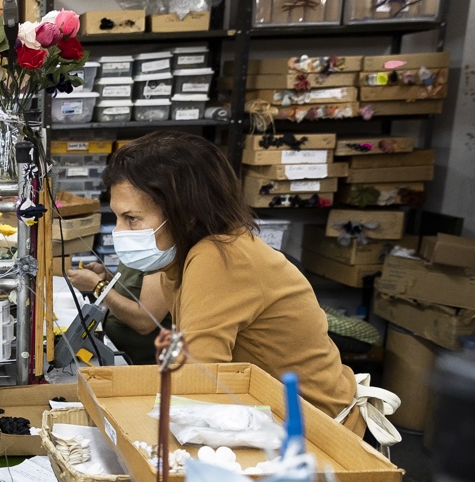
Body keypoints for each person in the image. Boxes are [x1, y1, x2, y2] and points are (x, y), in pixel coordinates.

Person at [82, 131, 372, 436]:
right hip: (281, 418)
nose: (120, 232)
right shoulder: (180, 257)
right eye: (117, 218)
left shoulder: (218, 257)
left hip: (319, 435)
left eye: (132, 219)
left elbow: (196, 379)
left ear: (187, 214)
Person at [66, 262, 169, 365]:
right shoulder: (135, 251)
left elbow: (145, 321)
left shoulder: (160, 260)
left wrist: (98, 285)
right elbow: (132, 289)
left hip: (146, 364)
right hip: (117, 348)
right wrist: (107, 277)